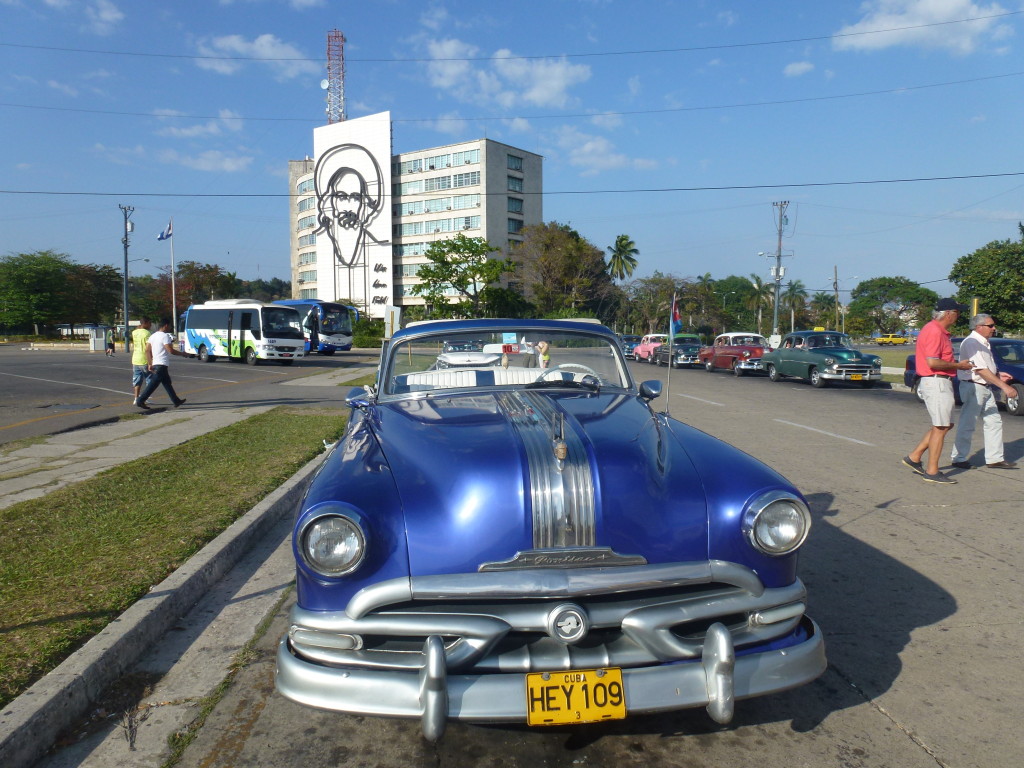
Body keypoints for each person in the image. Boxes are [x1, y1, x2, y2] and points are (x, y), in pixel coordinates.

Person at [902, 298, 974, 483]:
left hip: (940, 381)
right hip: (936, 382)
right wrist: (959, 365)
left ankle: (915, 456)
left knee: (944, 425)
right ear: (948, 313)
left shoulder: (937, 331)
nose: (958, 316)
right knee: (941, 426)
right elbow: (933, 362)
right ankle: (932, 471)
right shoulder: (934, 331)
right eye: (957, 312)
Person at [949, 313, 1018, 470]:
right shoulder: (972, 342)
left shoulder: (983, 342)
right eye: (990, 325)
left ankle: (994, 458)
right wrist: (1005, 386)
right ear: (978, 327)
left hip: (984, 386)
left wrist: (998, 375)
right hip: (974, 386)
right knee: (969, 423)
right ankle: (958, 457)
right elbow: (980, 369)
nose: (994, 328)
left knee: (994, 421)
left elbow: (986, 367)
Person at [135, 319, 187, 409]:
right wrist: (183, 354)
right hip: (161, 364)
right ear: (166, 325)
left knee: (167, 383)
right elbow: (170, 350)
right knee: (153, 384)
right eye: (170, 326)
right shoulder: (165, 336)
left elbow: (147, 350)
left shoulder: (153, 336)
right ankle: (140, 401)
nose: (170, 327)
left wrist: (150, 363)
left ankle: (176, 400)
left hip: (156, 363)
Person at [130, 317, 153, 403]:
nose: (150, 325)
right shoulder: (148, 333)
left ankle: (136, 398)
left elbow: (136, 329)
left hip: (135, 358)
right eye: (149, 323)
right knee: (149, 379)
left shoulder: (134, 332)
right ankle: (144, 398)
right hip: (144, 359)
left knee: (137, 379)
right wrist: (151, 360)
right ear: (145, 323)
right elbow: (148, 348)